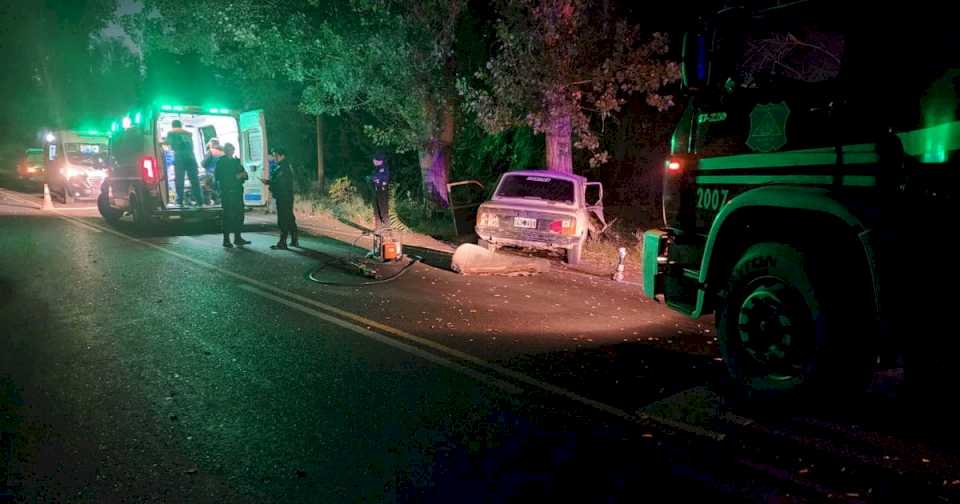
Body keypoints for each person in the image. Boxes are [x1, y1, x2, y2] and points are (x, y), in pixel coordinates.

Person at [261, 147, 299, 249]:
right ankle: (294, 240)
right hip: (286, 196)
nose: (274, 157)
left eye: (276, 155)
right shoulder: (283, 166)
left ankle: (283, 242)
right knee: (289, 218)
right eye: (273, 155)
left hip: (283, 196)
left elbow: (280, 183)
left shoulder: (283, 167)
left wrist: (269, 183)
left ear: (282, 155)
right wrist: (269, 182)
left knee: (283, 220)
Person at [214, 143, 251, 247]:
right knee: (228, 217)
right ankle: (226, 240)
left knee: (239, 216)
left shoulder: (236, 161)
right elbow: (221, 178)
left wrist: (242, 175)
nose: (231, 151)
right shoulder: (221, 163)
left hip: (238, 192)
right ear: (226, 151)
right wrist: (236, 176)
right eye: (229, 149)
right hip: (227, 193)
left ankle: (238, 238)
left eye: (232, 149)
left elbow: (245, 174)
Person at [164, 120, 204, 206]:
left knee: (179, 180)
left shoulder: (171, 132)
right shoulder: (188, 133)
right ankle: (200, 201)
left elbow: (167, 143)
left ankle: (179, 201)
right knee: (194, 180)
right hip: (191, 158)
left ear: (173, 126)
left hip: (180, 158)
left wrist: (160, 142)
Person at [201, 138, 225, 204]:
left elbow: (204, 164)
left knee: (206, 186)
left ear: (211, 144)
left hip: (211, 174)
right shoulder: (223, 152)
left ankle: (210, 201)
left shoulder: (211, 151)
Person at [371, 151, 390, 230]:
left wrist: (375, 179)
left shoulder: (384, 169)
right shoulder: (376, 169)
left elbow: (384, 178)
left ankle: (387, 227)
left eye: (375, 160)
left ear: (380, 161)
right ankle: (378, 228)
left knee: (383, 209)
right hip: (376, 190)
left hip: (382, 190)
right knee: (376, 209)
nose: (373, 161)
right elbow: (374, 178)